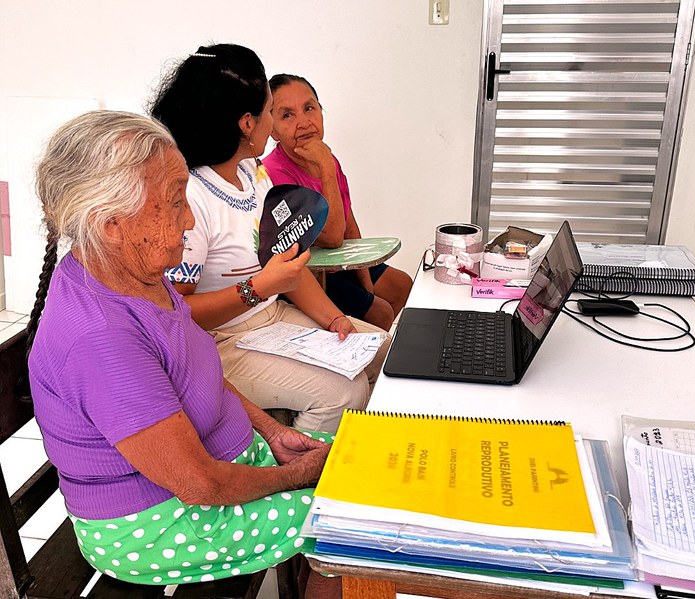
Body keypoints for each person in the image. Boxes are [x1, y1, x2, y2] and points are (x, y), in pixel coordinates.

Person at [26, 110, 340, 597]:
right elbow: (200, 485)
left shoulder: (133, 272)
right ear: (110, 224)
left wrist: (273, 432)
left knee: (359, 466)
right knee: (350, 524)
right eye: (175, 203)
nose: (189, 219)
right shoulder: (100, 337)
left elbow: (199, 371)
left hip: (218, 465)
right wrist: (295, 475)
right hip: (156, 521)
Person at [149, 45, 388, 433]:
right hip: (217, 342)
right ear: (247, 123)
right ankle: (301, 465)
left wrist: (334, 319)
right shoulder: (193, 195)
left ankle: (351, 450)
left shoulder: (253, 173)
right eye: (272, 110)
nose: (275, 123)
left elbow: (286, 264)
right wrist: (258, 288)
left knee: (380, 350)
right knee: (345, 392)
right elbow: (174, 312)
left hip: (271, 318)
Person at [263, 74, 412, 331]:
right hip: (306, 274)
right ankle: (364, 349)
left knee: (401, 285)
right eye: (287, 115)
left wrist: (366, 284)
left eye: (309, 108)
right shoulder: (274, 173)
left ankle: (371, 345)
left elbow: (349, 226)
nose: (304, 122)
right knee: (381, 312)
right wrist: (325, 166)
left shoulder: (327, 159)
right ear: (272, 129)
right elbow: (332, 237)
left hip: (338, 263)